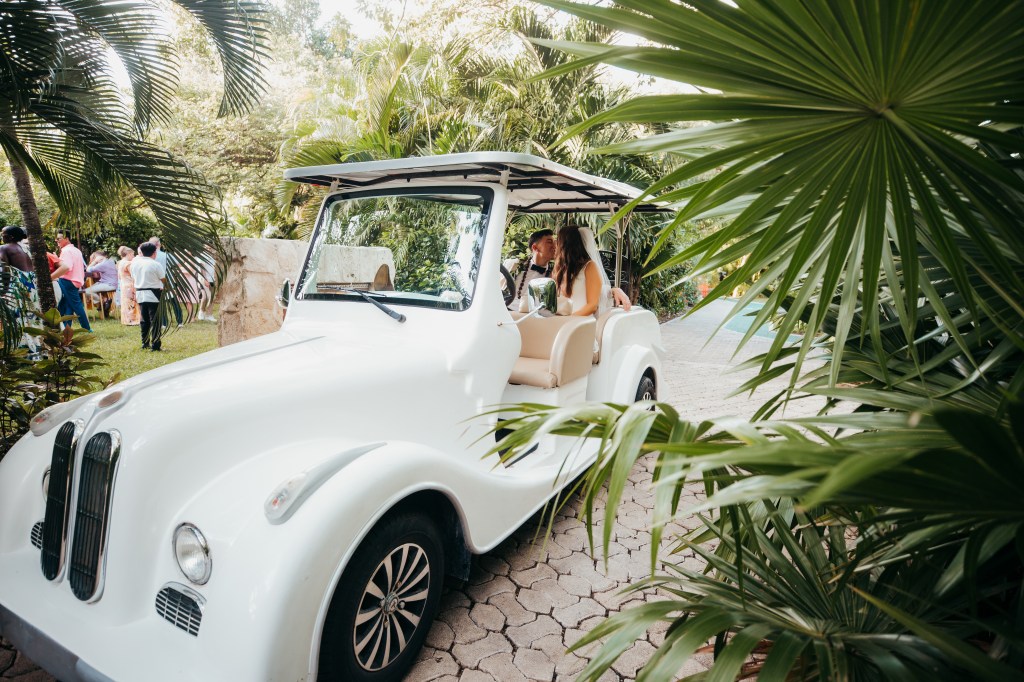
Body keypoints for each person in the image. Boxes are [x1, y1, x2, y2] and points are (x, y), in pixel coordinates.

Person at [552, 225, 631, 317]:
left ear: (566, 244)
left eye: (558, 240)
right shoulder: (561, 269)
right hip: (562, 322)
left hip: (581, 323)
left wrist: (569, 320)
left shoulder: (589, 267)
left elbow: (592, 305)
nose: (555, 243)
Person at [1, 225, 42, 357]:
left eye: (3, 234)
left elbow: (5, 271)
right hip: (31, 285)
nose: (2, 236)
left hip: (17, 285)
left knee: (16, 318)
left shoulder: (4, 248)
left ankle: (22, 351)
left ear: (10, 237)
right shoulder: (26, 248)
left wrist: (4, 291)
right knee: (32, 316)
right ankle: (37, 347)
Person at [503, 228, 555, 311]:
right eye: (549, 242)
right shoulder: (513, 265)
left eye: (555, 242)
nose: (554, 246)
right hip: (506, 312)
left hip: (532, 318)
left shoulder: (554, 274)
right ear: (535, 247)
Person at [50, 231, 92, 331]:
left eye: (59, 239)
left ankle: (86, 328)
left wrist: (52, 276)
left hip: (67, 280)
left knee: (76, 305)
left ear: (67, 239)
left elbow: (67, 267)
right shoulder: (76, 250)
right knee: (67, 305)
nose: (57, 241)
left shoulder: (66, 251)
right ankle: (66, 327)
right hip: (76, 281)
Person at [131, 241, 166, 351]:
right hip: (153, 293)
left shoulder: (134, 264)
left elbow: (134, 278)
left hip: (140, 293)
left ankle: (144, 343)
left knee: (144, 320)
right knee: (155, 320)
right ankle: (155, 345)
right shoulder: (155, 264)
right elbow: (163, 279)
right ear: (154, 253)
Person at [149, 236, 182, 326]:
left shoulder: (150, 257)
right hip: (168, 281)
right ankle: (180, 322)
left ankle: (164, 323)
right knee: (174, 302)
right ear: (159, 244)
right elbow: (178, 264)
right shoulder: (166, 255)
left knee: (161, 303)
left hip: (155, 282)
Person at [84, 250, 118, 315]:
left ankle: (103, 301)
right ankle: (104, 301)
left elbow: (88, 269)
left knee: (86, 291)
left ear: (100, 257)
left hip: (108, 284)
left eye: (96, 257)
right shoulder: (110, 261)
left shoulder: (103, 264)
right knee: (90, 289)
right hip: (110, 283)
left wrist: (94, 262)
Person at [116, 246, 141, 326]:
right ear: (128, 254)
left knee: (126, 302)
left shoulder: (120, 262)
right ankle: (133, 319)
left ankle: (127, 319)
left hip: (123, 284)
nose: (133, 256)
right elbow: (134, 274)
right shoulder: (128, 263)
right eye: (132, 254)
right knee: (132, 302)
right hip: (130, 284)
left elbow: (119, 276)